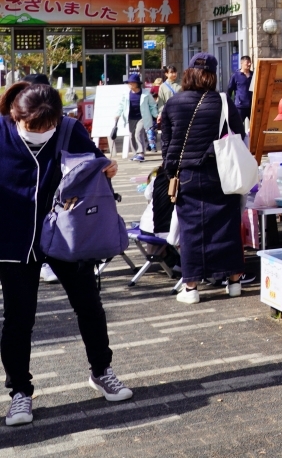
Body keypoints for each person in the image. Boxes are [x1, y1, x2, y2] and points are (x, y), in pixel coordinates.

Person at [0, 82, 133, 426]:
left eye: (49, 127)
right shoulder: (0, 131)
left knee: (88, 304)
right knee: (19, 318)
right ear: (17, 116)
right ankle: (19, 393)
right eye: (33, 127)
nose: (42, 133)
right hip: (13, 240)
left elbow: (94, 168)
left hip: (65, 235)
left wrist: (107, 169)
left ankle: (102, 370)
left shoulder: (70, 129)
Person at [161, 54, 246, 305]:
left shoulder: (174, 103)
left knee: (192, 231)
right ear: (212, 74)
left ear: (189, 72)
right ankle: (234, 282)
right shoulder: (223, 101)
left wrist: (170, 174)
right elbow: (239, 135)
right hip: (221, 173)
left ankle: (192, 287)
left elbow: (167, 144)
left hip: (186, 174)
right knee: (227, 227)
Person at [116, 73, 158, 163]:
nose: (130, 84)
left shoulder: (146, 93)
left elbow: (152, 105)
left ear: (137, 83)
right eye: (129, 83)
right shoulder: (126, 94)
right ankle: (136, 153)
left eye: (132, 82)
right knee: (131, 135)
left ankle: (141, 153)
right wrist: (118, 114)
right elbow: (121, 105)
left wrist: (156, 115)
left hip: (142, 117)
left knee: (138, 133)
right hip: (131, 117)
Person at [228, 55, 254, 126]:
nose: (249, 64)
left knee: (255, 127)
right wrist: (229, 104)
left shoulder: (253, 75)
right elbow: (230, 90)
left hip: (252, 106)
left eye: (250, 62)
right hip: (240, 107)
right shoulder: (235, 75)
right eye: (247, 62)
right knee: (237, 126)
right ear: (242, 63)